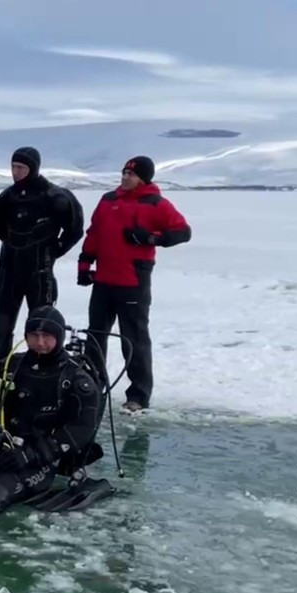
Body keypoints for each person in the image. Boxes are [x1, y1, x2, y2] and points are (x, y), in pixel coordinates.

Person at [0, 306, 111, 515]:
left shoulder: (75, 379)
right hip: (0, 446)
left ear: (59, 337)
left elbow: (82, 428)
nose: (40, 342)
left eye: (47, 336)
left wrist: (32, 455)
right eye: (34, 335)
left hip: (40, 458)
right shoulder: (10, 366)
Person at [77, 156, 191, 412]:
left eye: (131, 174)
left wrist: (151, 238)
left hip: (133, 282)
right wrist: (85, 265)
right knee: (96, 335)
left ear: (143, 178)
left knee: (134, 338)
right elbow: (94, 233)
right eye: (124, 172)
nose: (125, 177)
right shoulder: (108, 201)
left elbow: (183, 231)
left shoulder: (156, 203)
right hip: (103, 281)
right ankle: (93, 387)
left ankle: (138, 396)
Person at [0, 147, 84, 362]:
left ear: (33, 168)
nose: (15, 172)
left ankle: (42, 367)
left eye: (21, 167)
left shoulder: (54, 197)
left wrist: (56, 250)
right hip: (9, 269)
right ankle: (0, 368)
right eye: (13, 166)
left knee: (42, 324)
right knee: (2, 324)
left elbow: (75, 229)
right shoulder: (8, 197)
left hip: (39, 272)